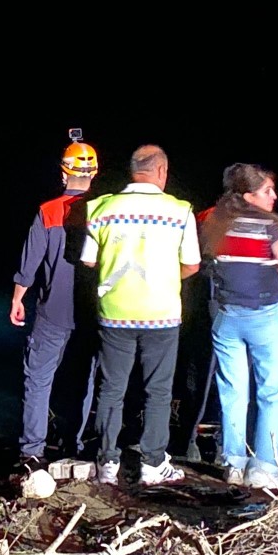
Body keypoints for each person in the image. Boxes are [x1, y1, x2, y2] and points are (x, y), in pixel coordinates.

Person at [81, 144, 201, 488]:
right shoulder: (180, 211)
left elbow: (89, 260)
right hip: (160, 313)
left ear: (132, 170)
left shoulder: (102, 208)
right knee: (158, 391)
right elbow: (191, 263)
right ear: (161, 171)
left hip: (114, 312)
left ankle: (107, 462)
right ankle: (152, 463)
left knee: (111, 389)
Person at [200, 163, 278, 489]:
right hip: (264, 316)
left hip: (227, 316)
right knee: (272, 391)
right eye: (267, 190)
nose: (274, 196)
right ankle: (265, 466)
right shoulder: (268, 225)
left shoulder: (214, 222)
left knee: (233, 391)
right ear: (248, 194)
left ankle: (233, 462)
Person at [10, 130, 100, 471]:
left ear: (64, 173)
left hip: (52, 311)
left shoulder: (48, 212)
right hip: (92, 312)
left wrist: (18, 297)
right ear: (93, 174)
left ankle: (32, 450)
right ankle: (74, 444)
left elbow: (30, 260)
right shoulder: (103, 209)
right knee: (83, 381)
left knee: (38, 379)